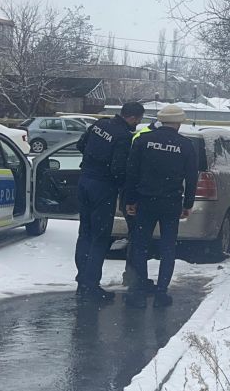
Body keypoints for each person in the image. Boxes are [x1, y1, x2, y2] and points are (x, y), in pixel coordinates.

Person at [122, 104, 199, 308]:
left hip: (145, 201)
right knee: (168, 247)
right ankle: (161, 293)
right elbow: (192, 177)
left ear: (160, 120)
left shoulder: (143, 141)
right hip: (171, 203)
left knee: (140, 246)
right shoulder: (185, 145)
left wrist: (130, 200)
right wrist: (188, 204)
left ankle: (139, 291)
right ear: (179, 122)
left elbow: (132, 172)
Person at [74, 102, 145, 303]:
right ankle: (91, 285)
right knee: (100, 237)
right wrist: (125, 188)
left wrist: (93, 164)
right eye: (138, 120)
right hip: (103, 188)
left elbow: (80, 145)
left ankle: (82, 281)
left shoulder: (100, 124)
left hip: (84, 181)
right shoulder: (124, 136)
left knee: (84, 234)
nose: (137, 124)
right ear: (133, 117)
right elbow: (118, 169)